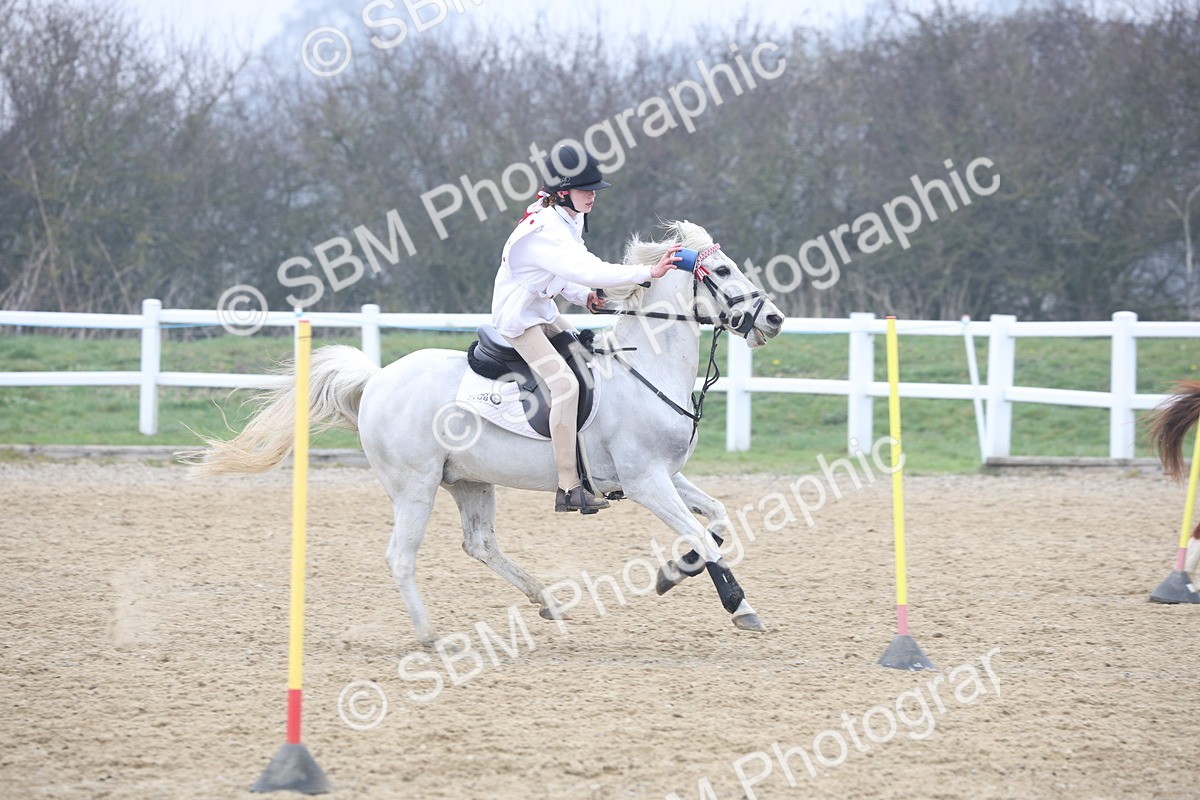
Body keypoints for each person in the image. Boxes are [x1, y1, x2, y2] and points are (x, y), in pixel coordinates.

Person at [491, 144, 681, 512]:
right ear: (564, 192)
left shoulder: (566, 218)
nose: (593, 195)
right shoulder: (546, 228)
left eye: (594, 189)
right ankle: (568, 487)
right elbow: (588, 268)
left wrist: (584, 297)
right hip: (518, 318)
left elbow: (565, 275)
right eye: (586, 190)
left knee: (588, 360)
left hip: (541, 310)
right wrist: (648, 272)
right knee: (565, 383)